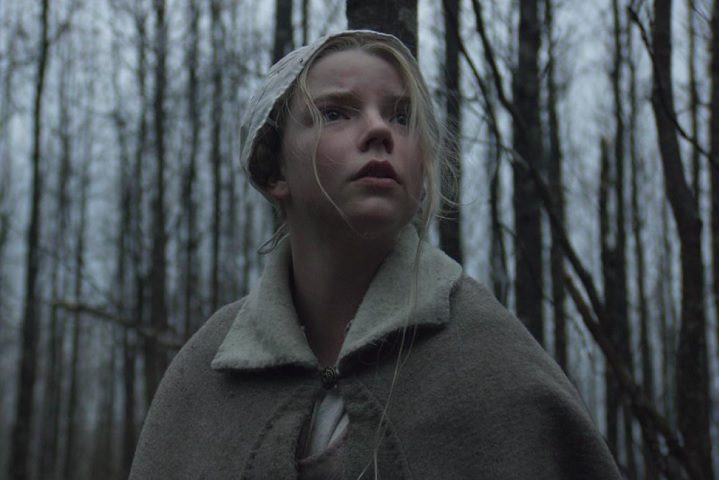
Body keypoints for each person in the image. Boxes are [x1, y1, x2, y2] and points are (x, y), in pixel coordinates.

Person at [130, 30, 622, 479]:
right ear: (274, 169)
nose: (380, 131)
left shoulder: (492, 361)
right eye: (336, 113)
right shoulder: (206, 374)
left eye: (401, 117)